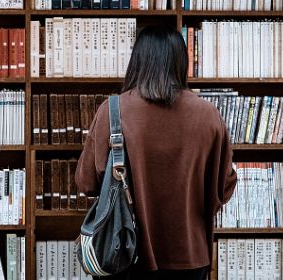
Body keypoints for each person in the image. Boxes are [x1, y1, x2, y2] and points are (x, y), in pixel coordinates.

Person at [75, 24, 237, 280]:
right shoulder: (209, 116)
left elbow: (86, 183)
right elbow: (224, 188)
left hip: (124, 252)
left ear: (137, 61)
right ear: (181, 62)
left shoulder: (112, 110)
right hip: (190, 255)